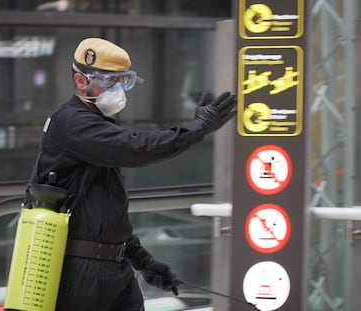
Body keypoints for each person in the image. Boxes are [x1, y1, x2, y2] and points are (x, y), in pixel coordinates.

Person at [27, 37, 237, 311]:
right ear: (81, 81)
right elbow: (137, 148)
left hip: (115, 270)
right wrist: (198, 128)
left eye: (124, 81)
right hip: (81, 276)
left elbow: (102, 210)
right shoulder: (71, 123)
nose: (119, 90)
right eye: (111, 81)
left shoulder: (97, 126)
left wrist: (142, 260)